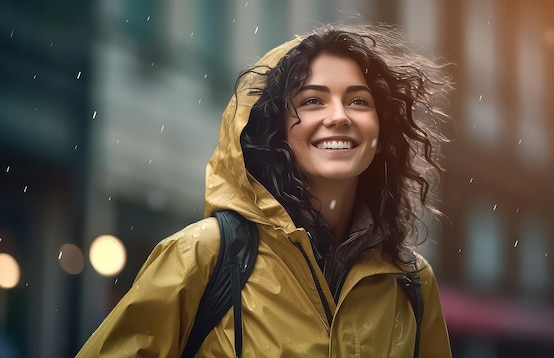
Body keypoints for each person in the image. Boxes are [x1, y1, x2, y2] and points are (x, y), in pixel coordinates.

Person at [77, 22, 453, 357]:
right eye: (312, 101)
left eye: (358, 100)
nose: (339, 115)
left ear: (380, 130)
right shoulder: (204, 255)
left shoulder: (412, 283)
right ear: (275, 128)